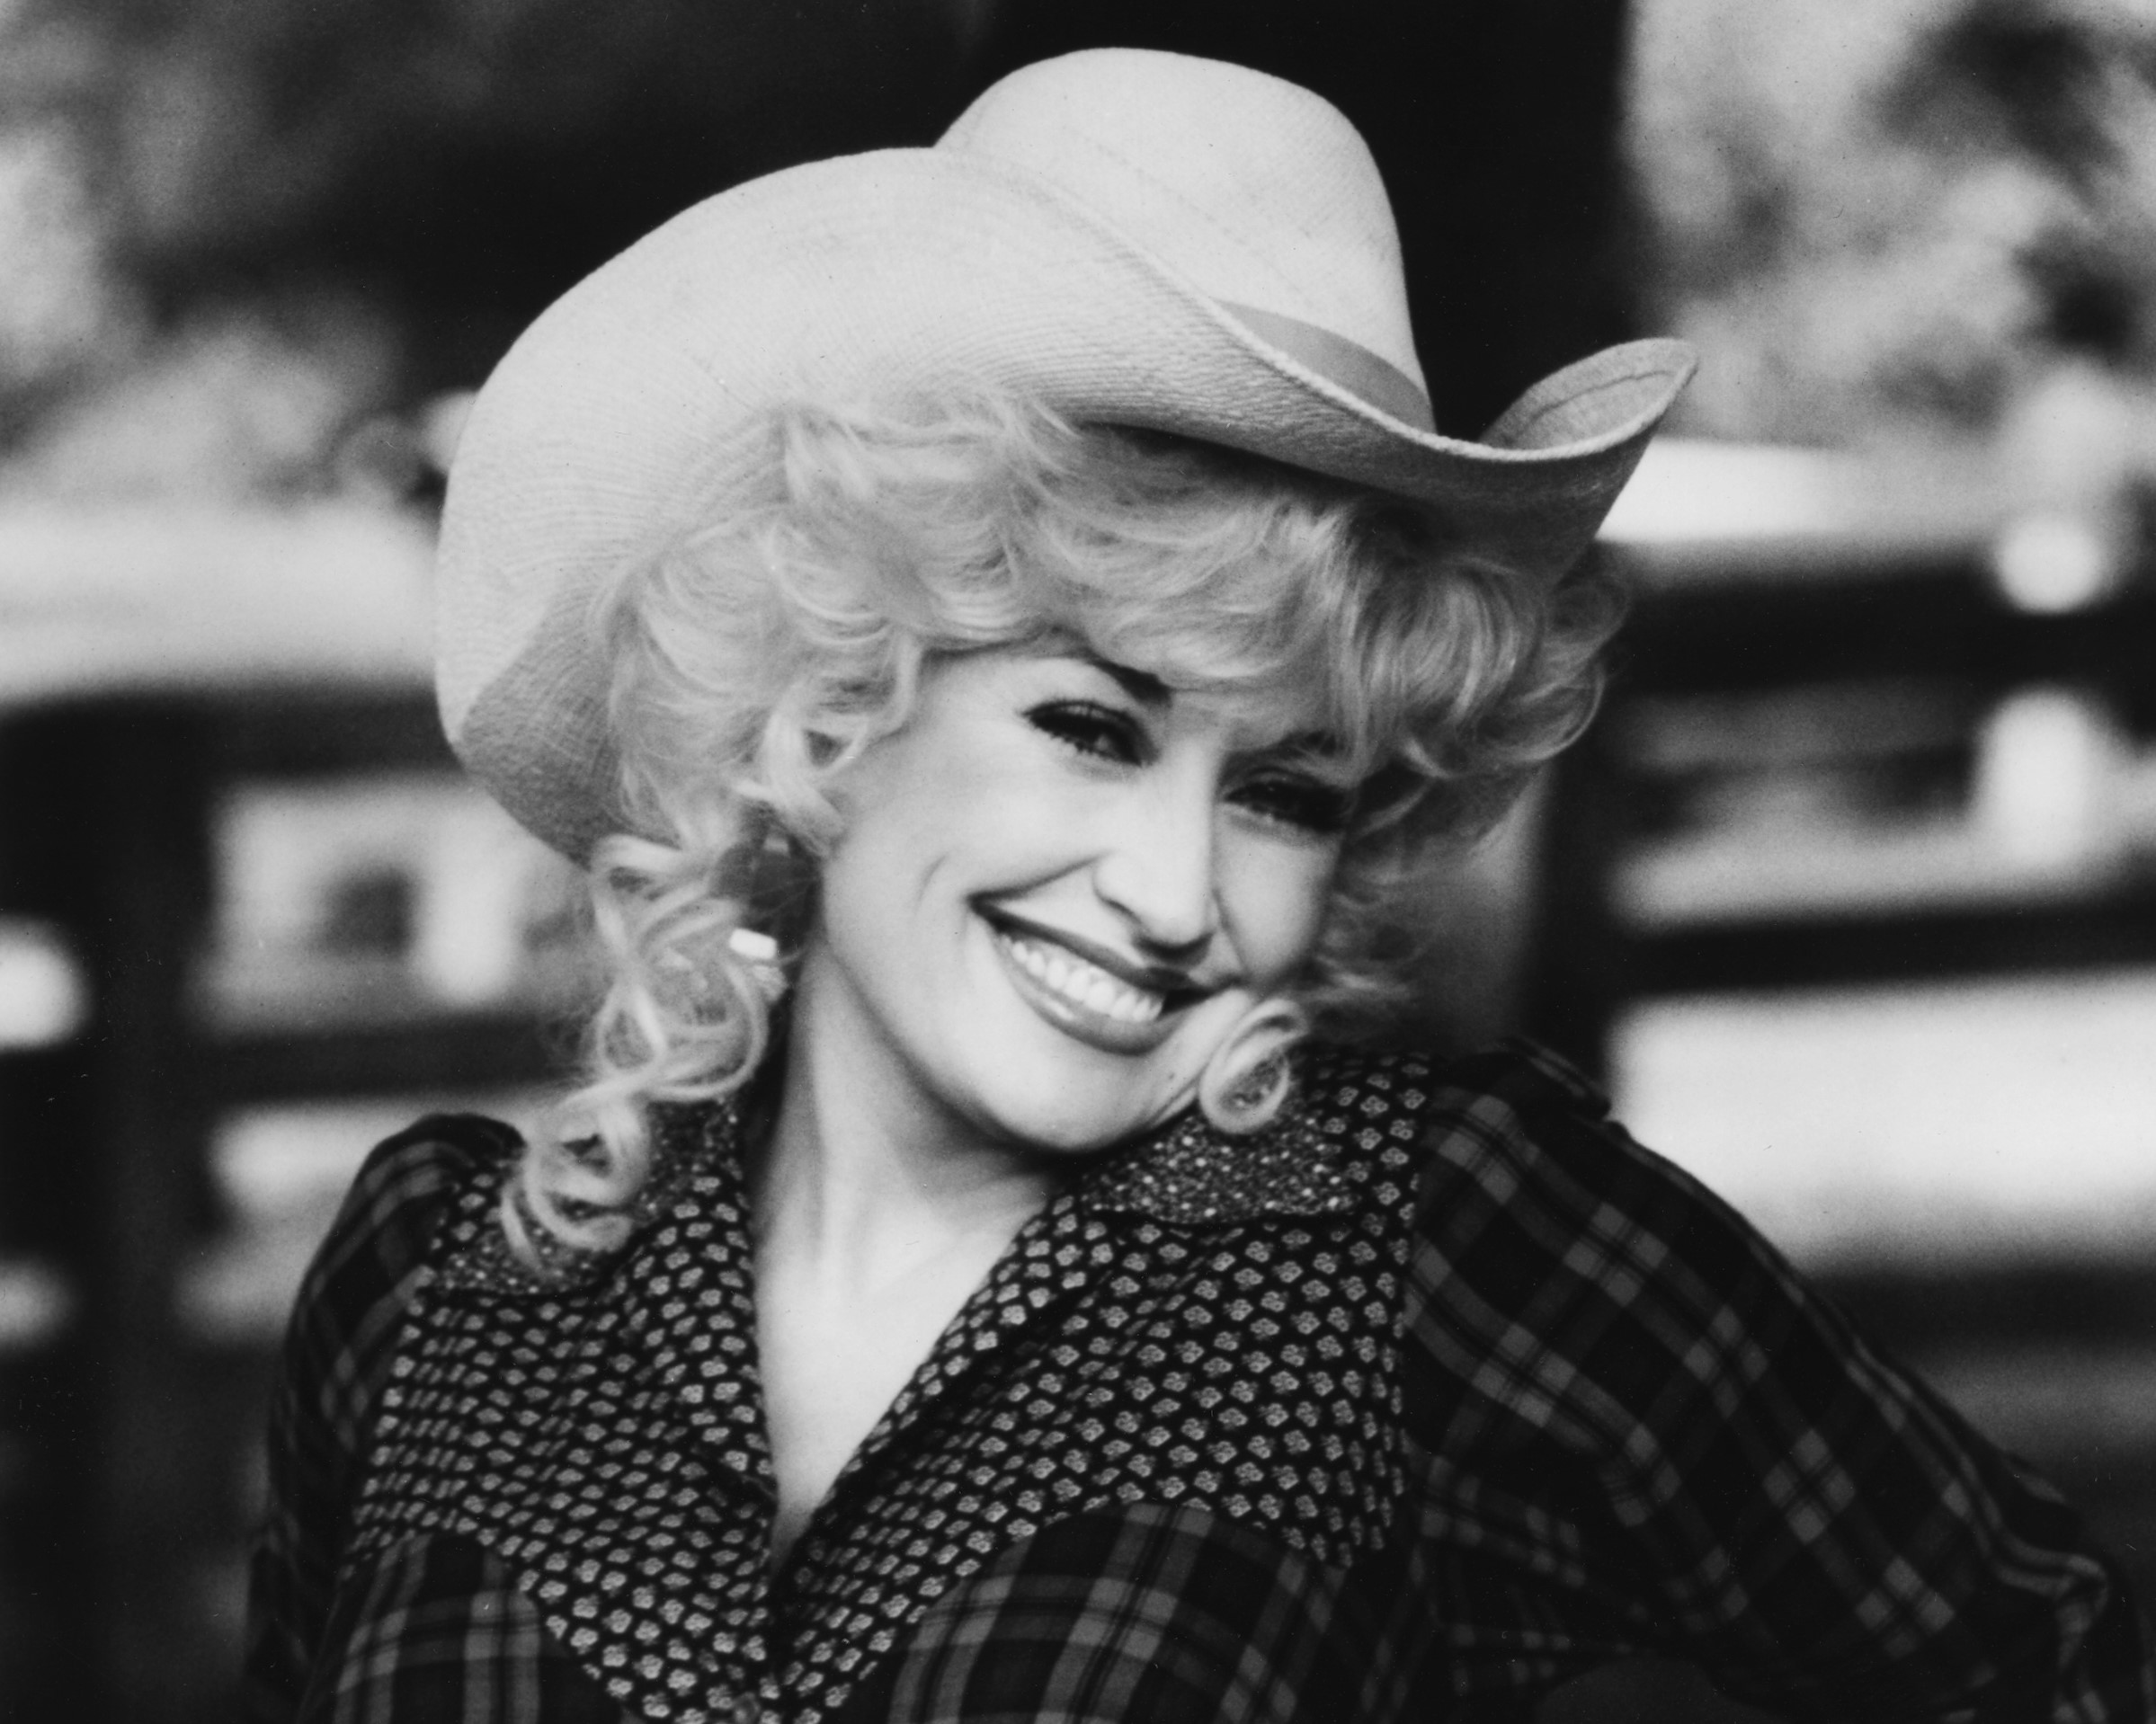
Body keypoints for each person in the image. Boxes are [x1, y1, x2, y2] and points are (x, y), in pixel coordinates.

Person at [245, 47, 2152, 1724]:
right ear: (831, 711)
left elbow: (2038, 1655)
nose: (1174, 892)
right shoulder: (442, 1282)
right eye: (1091, 725)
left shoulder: (1428, 1246)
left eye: (1285, 793)